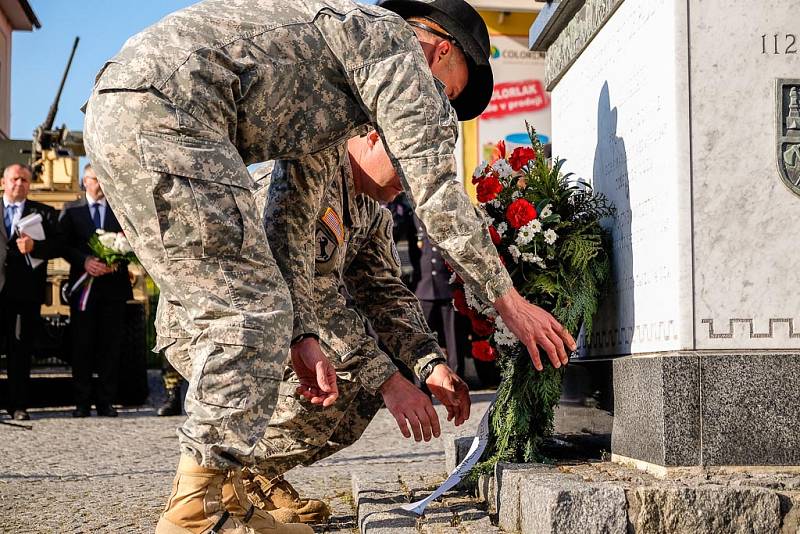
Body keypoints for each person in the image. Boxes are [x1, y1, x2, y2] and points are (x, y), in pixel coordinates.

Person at [83, 1, 574, 532]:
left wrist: (305, 335)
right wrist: (510, 301)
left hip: (137, 106)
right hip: (167, 110)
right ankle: (195, 517)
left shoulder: (325, 105)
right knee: (249, 314)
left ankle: (225, 493)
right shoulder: (398, 49)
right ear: (440, 49)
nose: (436, 111)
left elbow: (291, 226)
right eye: (447, 93)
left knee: (265, 315)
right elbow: (436, 192)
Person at [59, 164, 133, 418]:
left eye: (102, 180)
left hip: (114, 287)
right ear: (84, 180)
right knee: (82, 346)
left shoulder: (119, 210)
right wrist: (84, 262)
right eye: (93, 179)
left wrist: (118, 260)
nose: (98, 185)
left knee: (110, 346)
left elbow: (132, 242)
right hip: (83, 290)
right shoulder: (72, 210)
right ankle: (81, 403)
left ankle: (106, 401)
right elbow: (63, 245)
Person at [0, 164, 61, 421]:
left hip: (25, 293)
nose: (19, 184)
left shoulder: (43, 213)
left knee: (20, 351)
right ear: (3, 182)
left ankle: (18, 406)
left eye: (24, 180)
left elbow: (59, 245)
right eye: (15, 179)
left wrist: (36, 247)